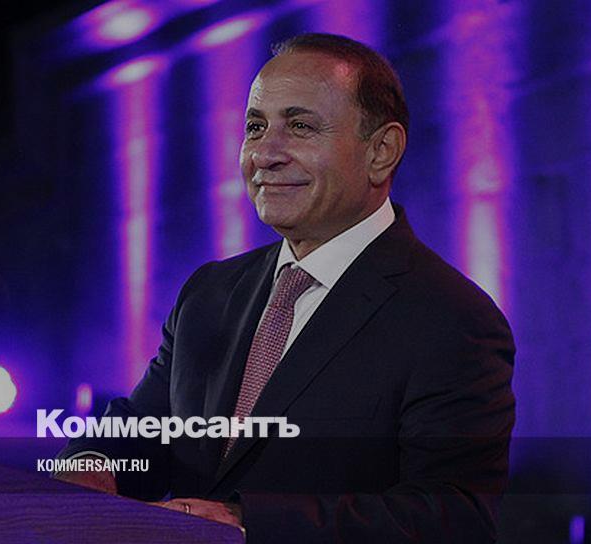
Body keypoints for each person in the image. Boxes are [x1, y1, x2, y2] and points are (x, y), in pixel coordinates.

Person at [55, 33, 515, 543]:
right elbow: (142, 430)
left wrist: (246, 524)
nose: (265, 154)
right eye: (256, 127)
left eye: (300, 126)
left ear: (381, 152)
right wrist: (91, 467)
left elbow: (451, 517)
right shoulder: (208, 294)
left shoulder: (451, 318)